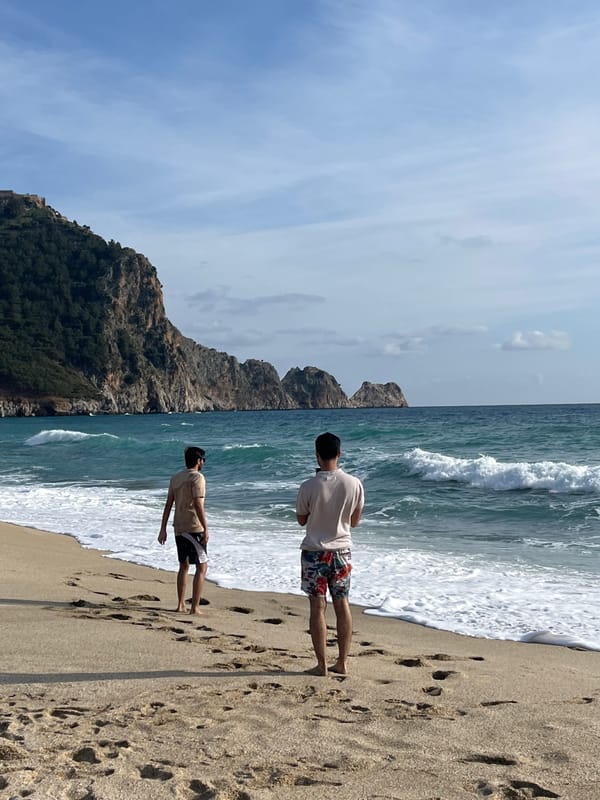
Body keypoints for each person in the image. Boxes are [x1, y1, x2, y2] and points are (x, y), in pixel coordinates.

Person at [296, 432, 364, 676]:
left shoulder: (308, 486)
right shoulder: (354, 483)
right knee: (342, 604)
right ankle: (342, 662)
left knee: (317, 608)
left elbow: (301, 520)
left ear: (316, 454)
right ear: (339, 453)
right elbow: (354, 521)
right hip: (342, 552)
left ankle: (322, 665)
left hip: (315, 552)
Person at [158, 446, 209, 615]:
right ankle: (195, 607)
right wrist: (206, 528)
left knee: (184, 566)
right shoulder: (198, 478)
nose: (203, 463)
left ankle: (180, 604)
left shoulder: (176, 478)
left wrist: (163, 528)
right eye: (203, 460)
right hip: (194, 527)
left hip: (178, 526)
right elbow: (198, 503)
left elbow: (168, 504)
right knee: (202, 566)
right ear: (198, 461)